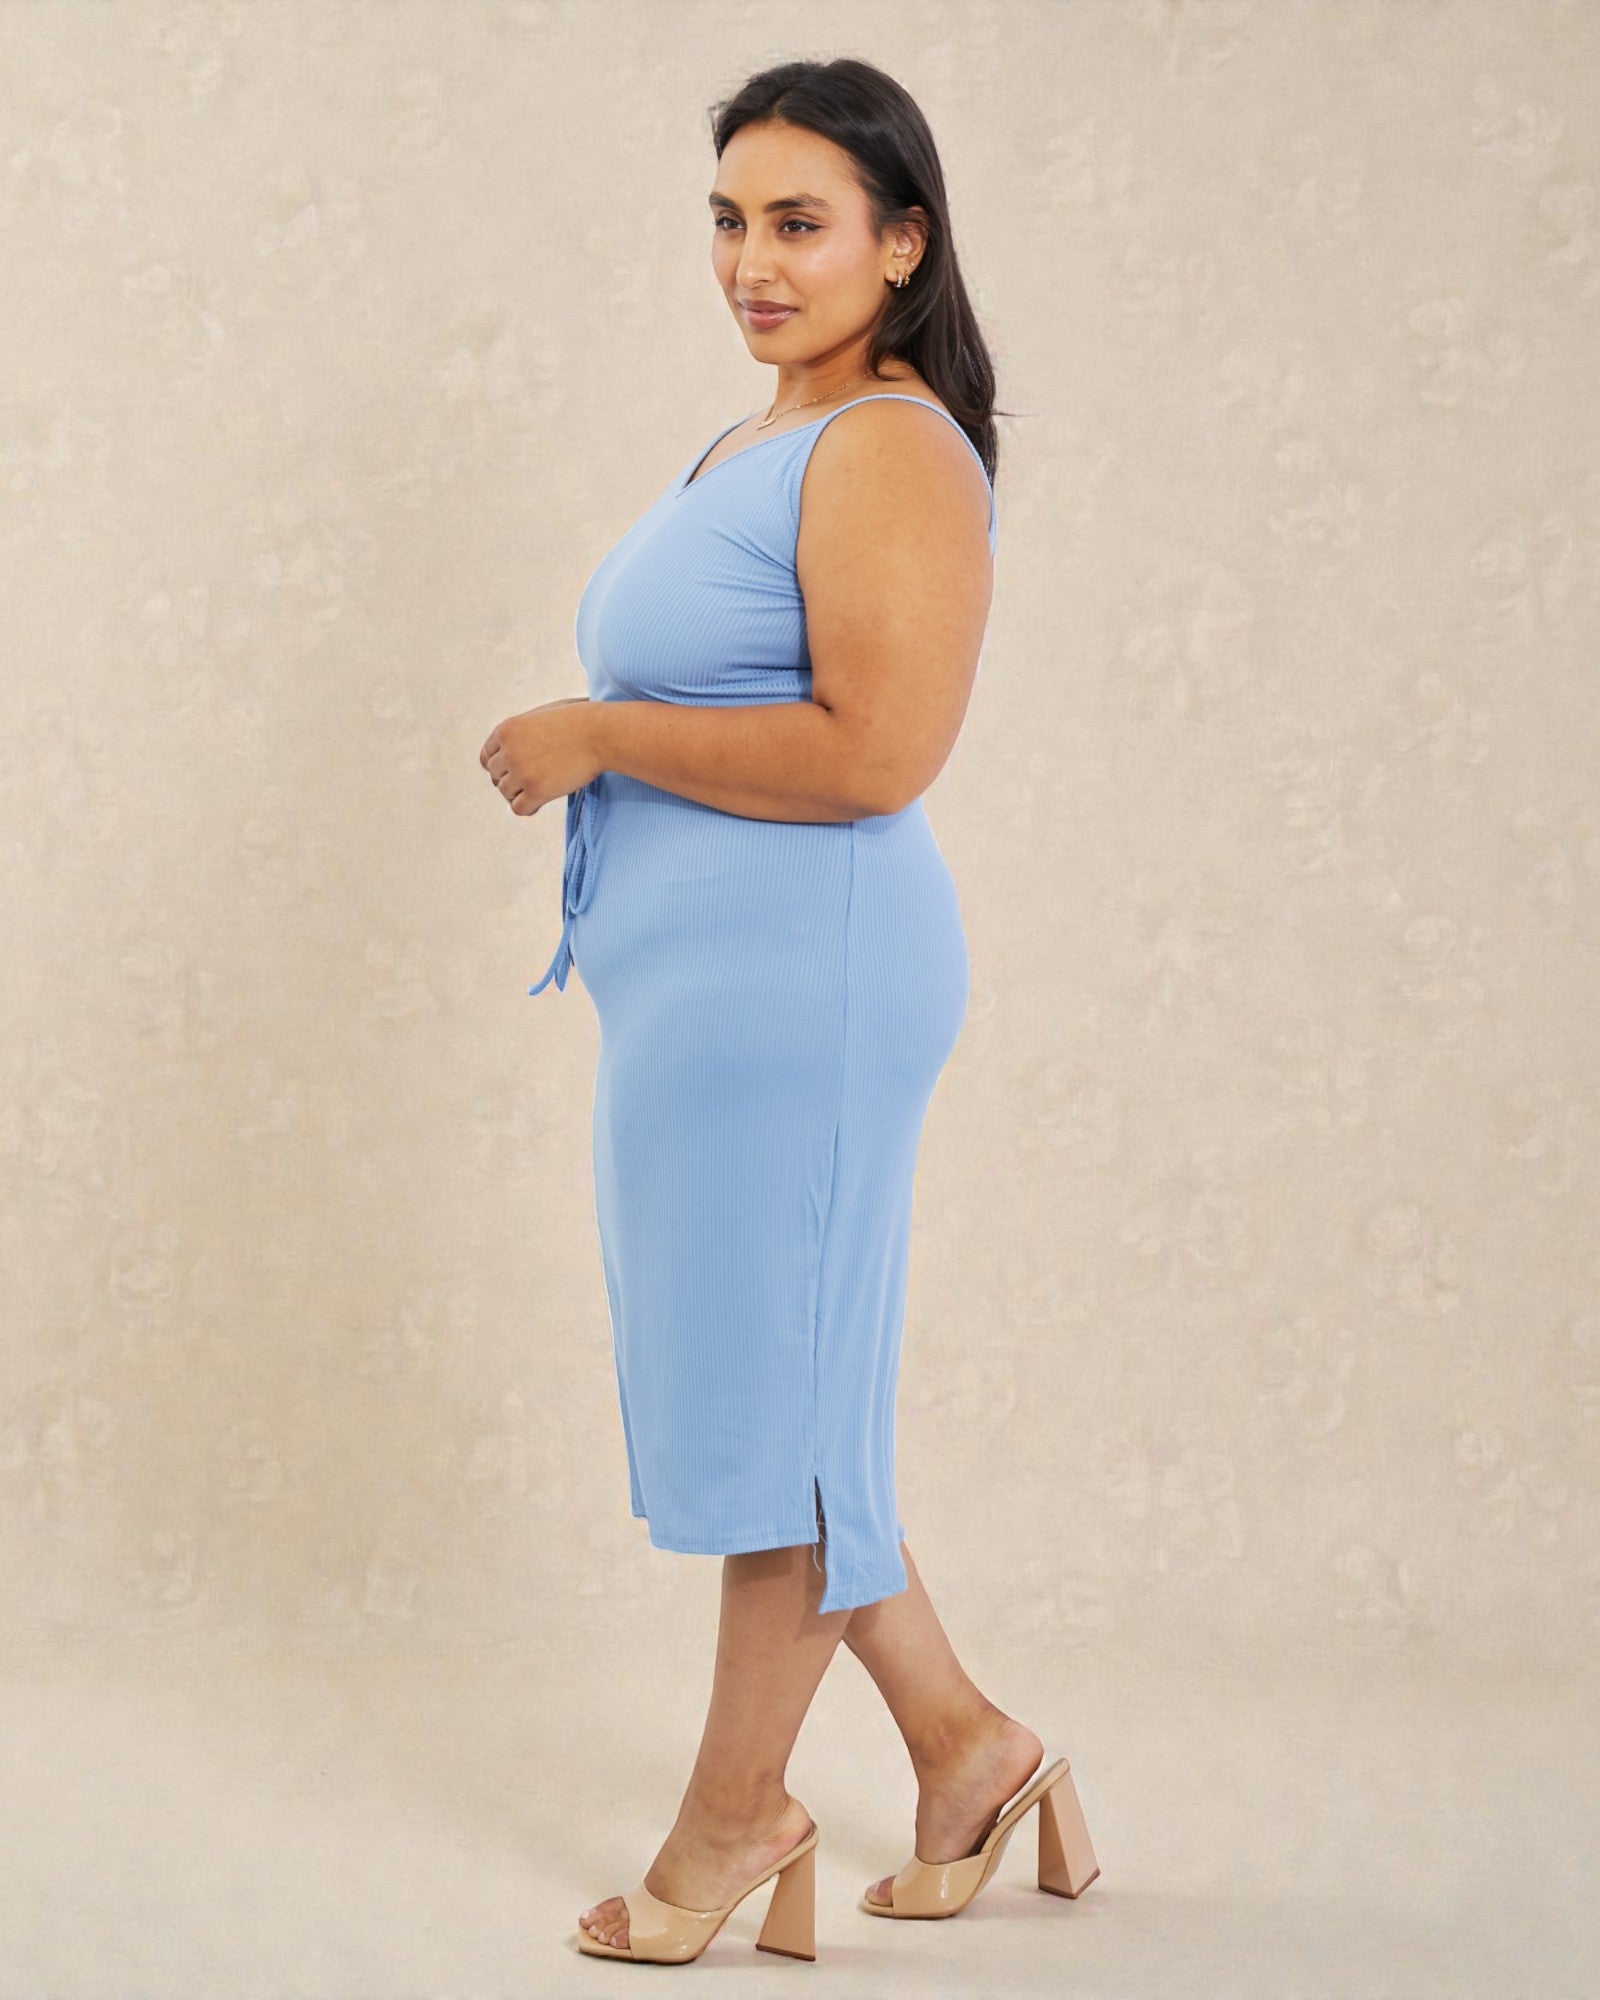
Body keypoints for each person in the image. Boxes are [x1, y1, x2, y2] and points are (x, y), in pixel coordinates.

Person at [480, 56, 1097, 1964]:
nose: (753, 261)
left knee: (779, 1413)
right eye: (731, 221)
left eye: (801, 223)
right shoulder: (770, 434)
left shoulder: (892, 445)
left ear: (902, 244)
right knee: (782, 1393)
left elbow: (877, 751)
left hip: (801, 995)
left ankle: (733, 1819)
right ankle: (972, 1748)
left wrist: (595, 732)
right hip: (711, 1011)